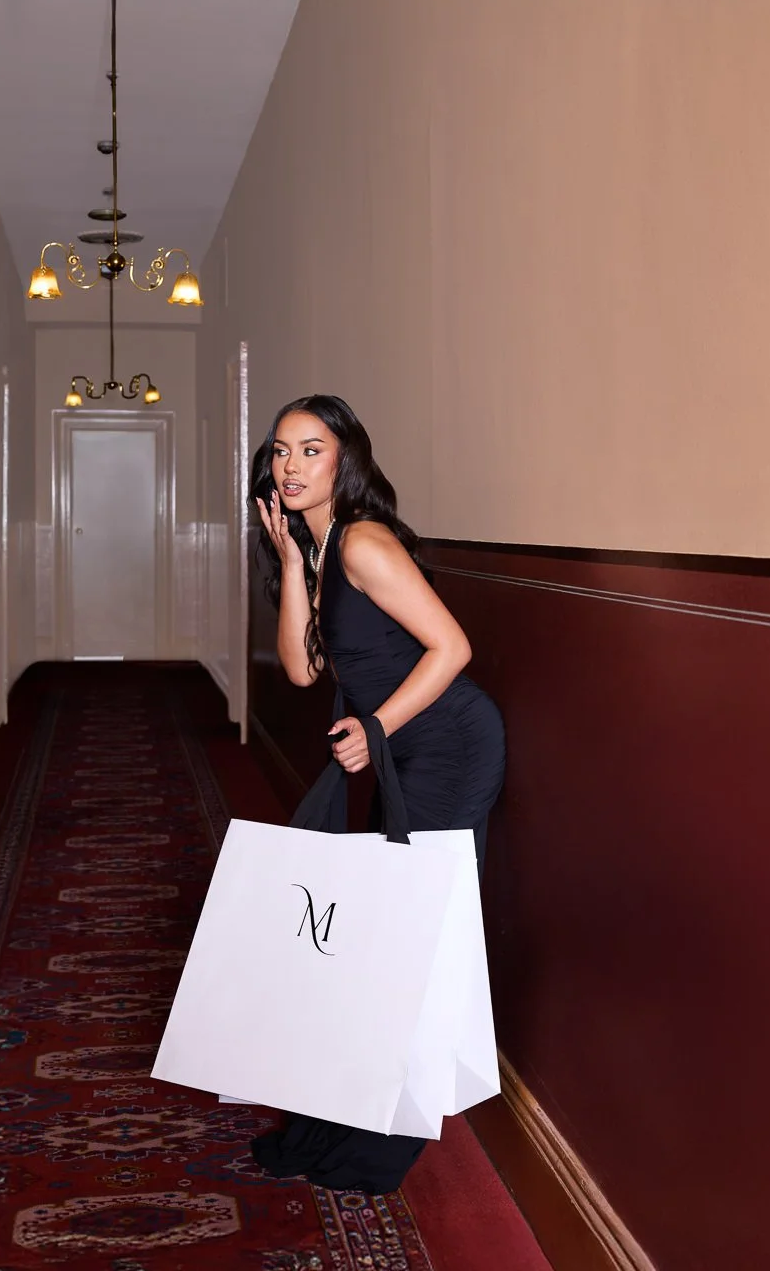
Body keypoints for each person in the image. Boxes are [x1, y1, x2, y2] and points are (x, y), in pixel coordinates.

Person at [245, 394, 506, 1194]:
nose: (291, 466)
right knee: (385, 936)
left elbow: (452, 646)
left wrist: (377, 728)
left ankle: (386, 1135)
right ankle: (351, 1105)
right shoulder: (322, 551)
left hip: (446, 748)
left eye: (311, 451)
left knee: (415, 941)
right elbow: (301, 670)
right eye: (282, 451)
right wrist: (291, 563)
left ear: (345, 460)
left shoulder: (363, 542)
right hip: (400, 750)